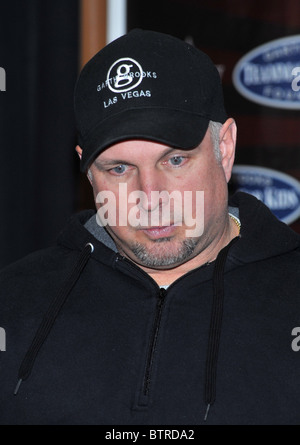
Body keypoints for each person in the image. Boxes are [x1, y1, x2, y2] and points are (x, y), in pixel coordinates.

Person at [0, 29, 300, 426]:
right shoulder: (14, 303)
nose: (150, 196)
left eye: (174, 160)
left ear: (223, 148)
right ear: (88, 172)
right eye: (119, 168)